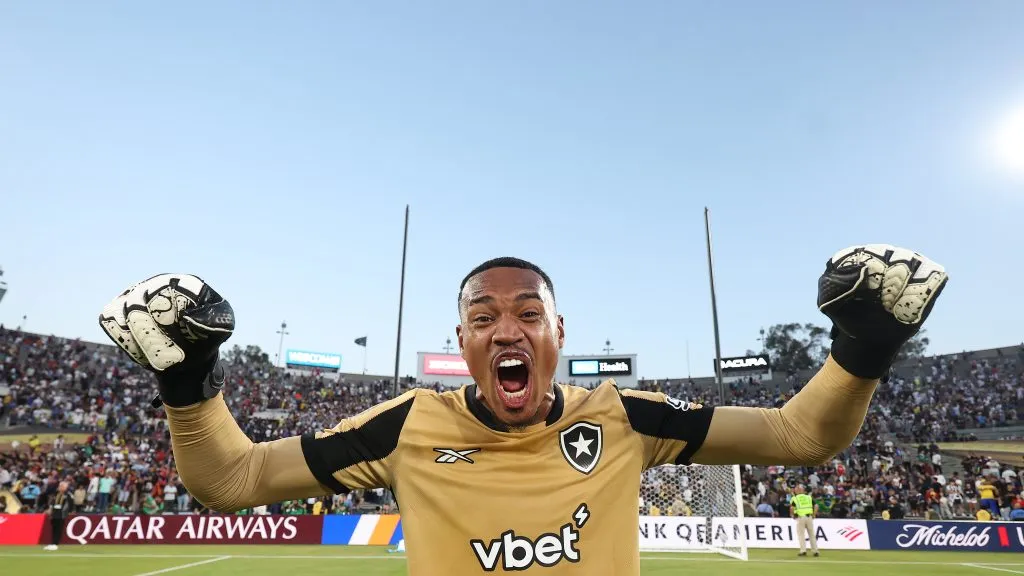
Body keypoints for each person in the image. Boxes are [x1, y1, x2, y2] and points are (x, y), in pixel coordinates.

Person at [98, 244, 947, 575]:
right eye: (484, 317)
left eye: (528, 314)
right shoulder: (406, 425)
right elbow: (231, 479)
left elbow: (800, 435)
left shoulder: (624, 415)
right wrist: (189, 381)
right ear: (462, 342)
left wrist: (862, 350)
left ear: (557, 334)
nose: (507, 328)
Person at [790, 485, 819, 557]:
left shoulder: (795, 498)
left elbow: (792, 508)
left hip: (800, 517)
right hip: (809, 517)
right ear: (803, 491)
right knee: (812, 535)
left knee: (801, 535)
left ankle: (803, 551)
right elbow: (816, 506)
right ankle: (815, 551)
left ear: (797, 491)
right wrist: (814, 515)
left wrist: (792, 515)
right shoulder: (808, 497)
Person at [45, 482, 73, 551]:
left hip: (61, 514)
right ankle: (52, 543)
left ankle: (55, 544)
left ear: (65, 487)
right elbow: (52, 503)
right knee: (54, 529)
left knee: (58, 529)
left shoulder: (68, 495)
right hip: (54, 513)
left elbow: (70, 504)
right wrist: (50, 510)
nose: (60, 487)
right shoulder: (56, 494)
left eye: (61, 486)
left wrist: (68, 511)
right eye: (60, 486)